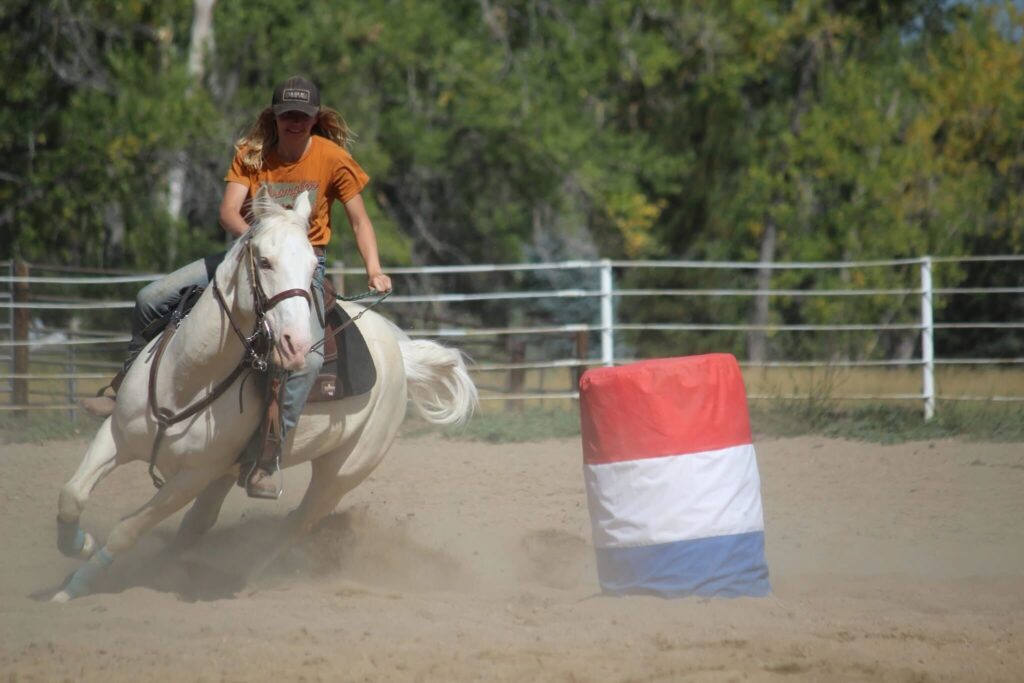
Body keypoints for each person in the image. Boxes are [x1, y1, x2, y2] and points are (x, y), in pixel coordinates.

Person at [82, 75, 392, 499]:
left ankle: (268, 456)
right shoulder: (252, 153)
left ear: (314, 118)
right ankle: (124, 390)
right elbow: (229, 211)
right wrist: (258, 247)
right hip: (244, 257)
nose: (295, 123)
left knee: (309, 360)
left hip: (302, 267)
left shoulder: (332, 158)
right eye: (288, 116)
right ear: (275, 117)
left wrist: (373, 268)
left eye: (303, 116)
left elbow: (359, 219)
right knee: (151, 298)